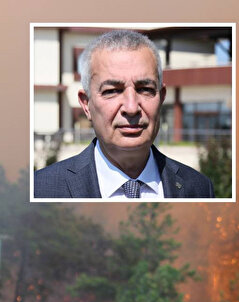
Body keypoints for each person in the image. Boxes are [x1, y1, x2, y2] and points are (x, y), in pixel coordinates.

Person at [34, 30, 215, 199]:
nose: (131, 107)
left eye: (145, 89)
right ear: (86, 104)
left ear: (161, 98)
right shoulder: (41, 189)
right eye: (112, 90)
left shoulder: (199, 188)